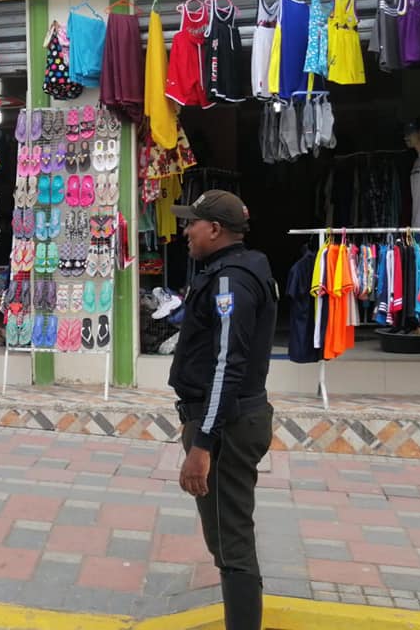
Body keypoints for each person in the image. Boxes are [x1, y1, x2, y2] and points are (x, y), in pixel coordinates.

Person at [168, 190, 278, 630]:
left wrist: (203, 444)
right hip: (228, 420)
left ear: (214, 229)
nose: (185, 231)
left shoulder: (231, 280)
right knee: (229, 538)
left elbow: (227, 366)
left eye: (191, 223)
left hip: (226, 426)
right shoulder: (243, 268)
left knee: (231, 545)